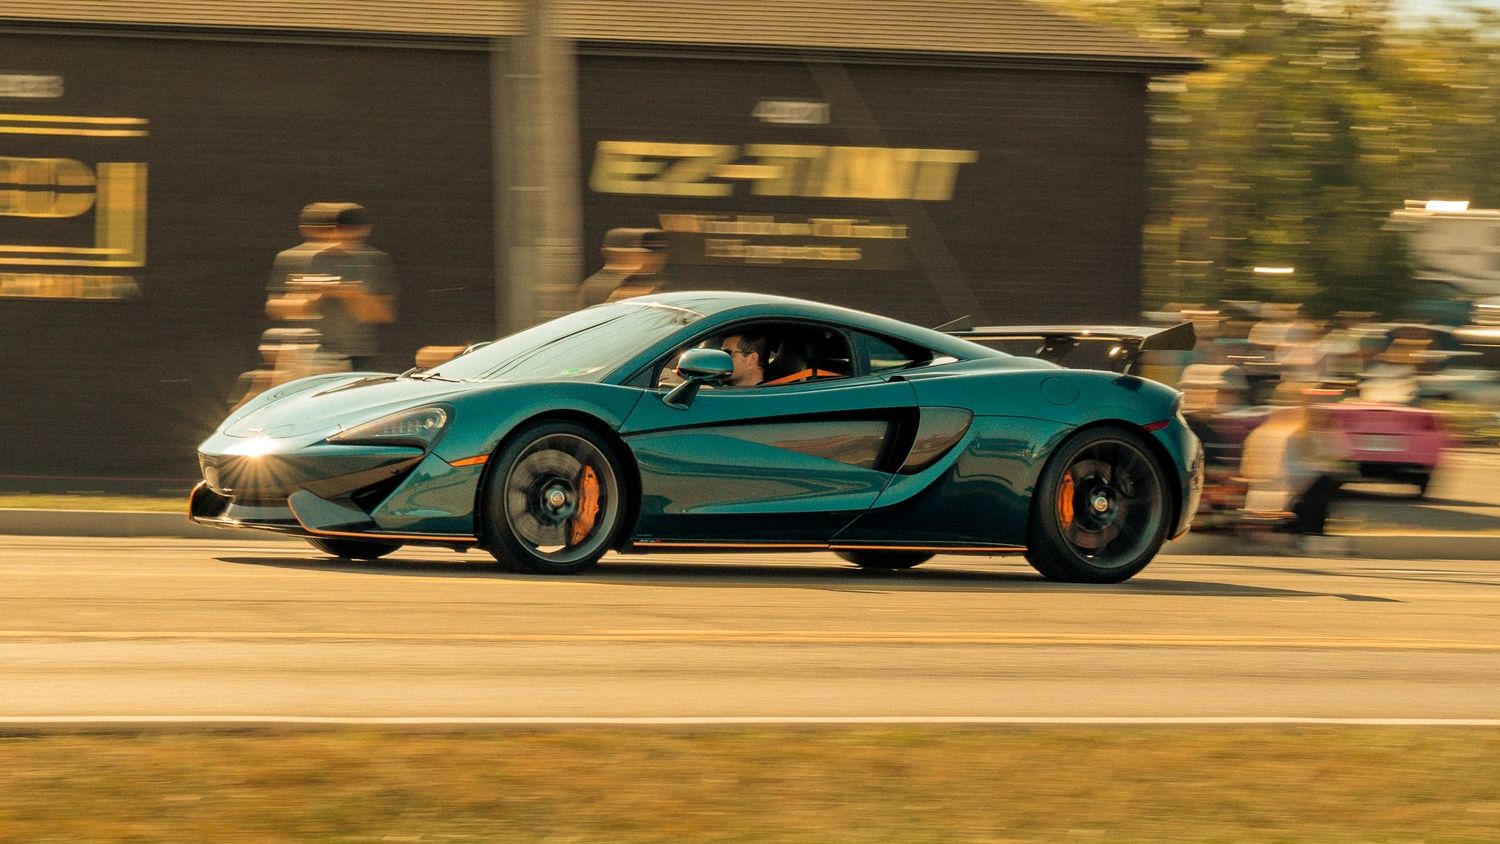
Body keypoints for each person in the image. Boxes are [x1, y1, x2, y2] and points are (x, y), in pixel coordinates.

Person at [266, 203, 397, 372]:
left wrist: (351, 294)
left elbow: (384, 314)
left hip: (357, 354)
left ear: (366, 230)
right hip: (307, 352)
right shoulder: (301, 258)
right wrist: (312, 295)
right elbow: (275, 309)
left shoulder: (374, 260)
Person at [576, 227, 669, 309]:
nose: (656, 259)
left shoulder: (659, 283)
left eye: (659, 255)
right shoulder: (597, 287)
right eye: (646, 255)